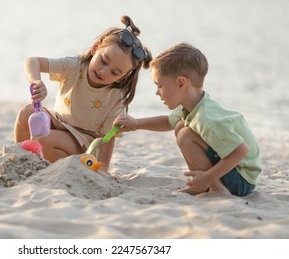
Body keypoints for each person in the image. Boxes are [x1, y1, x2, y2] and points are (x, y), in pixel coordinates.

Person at [114, 42, 262, 196]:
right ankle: (202, 185)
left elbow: (240, 151)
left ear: (181, 83)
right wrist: (136, 124)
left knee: (185, 135)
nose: (157, 93)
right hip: (231, 169)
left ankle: (216, 188)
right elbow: (166, 122)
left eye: (159, 86)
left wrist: (207, 177)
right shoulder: (190, 106)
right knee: (180, 127)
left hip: (242, 177)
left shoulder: (207, 119)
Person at [14, 15, 152, 172]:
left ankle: (39, 156)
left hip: (82, 141)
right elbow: (32, 62)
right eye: (104, 61)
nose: (104, 71)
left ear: (124, 76)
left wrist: (103, 170)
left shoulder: (116, 97)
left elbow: (108, 139)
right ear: (96, 47)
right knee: (27, 112)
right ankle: (22, 158)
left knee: (44, 140)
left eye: (115, 72)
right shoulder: (74, 66)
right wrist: (36, 81)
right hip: (58, 121)